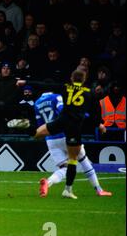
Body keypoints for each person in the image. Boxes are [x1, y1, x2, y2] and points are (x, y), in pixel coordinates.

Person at [9, 70, 107, 199]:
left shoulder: (58, 91)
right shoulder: (87, 93)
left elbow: (42, 85)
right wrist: (98, 124)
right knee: (78, 160)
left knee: (36, 134)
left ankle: (28, 126)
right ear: (84, 79)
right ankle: (86, 189)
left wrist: (25, 82)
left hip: (56, 127)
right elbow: (92, 113)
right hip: (71, 129)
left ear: (71, 78)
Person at [33, 91, 112, 197]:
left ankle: (48, 182)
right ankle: (99, 190)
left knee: (65, 168)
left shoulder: (37, 103)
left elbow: (40, 125)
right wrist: (97, 123)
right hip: (65, 134)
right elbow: (65, 113)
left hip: (50, 139)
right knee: (83, 160)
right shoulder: (57, 97)